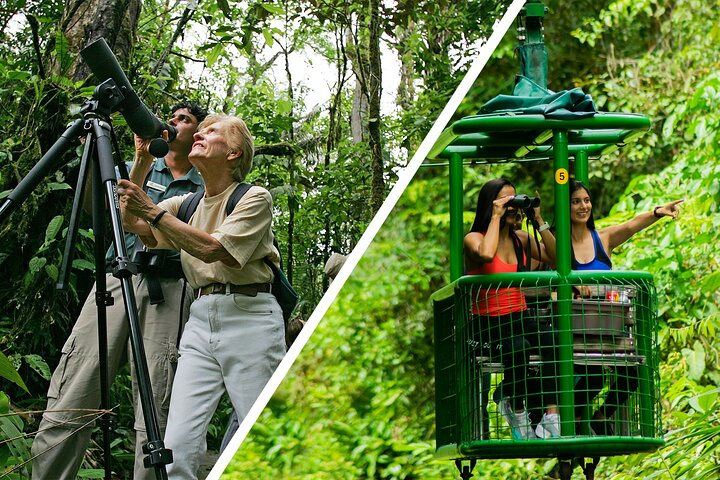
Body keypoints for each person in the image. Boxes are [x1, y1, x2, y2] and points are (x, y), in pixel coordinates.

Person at [31, 102, 207, 480]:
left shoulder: (204, 184)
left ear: (197, 134)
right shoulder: (141, 167)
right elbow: (113, 219)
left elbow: (190, 241)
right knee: (74, 390)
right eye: (171, 117)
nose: (173, 123)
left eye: (184, 120)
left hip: (171, 290)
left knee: (157, 406)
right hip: (115, 277)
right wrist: (142, 160)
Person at [118, 114, 286, 479]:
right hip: (200, 316)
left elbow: (213, 249)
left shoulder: (254, 198)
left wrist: (152, 211)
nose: (198, 133)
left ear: (234, 153)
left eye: (211, 131)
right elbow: (131, 222)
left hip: (251, 315)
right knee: (177, 443)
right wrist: (144, 160)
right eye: (200, 129)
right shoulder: (186, 203)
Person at [567, 179, 682, 434]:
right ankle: (571, 421)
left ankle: (600, 415)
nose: (583, 206)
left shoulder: (602, 239)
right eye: (576, 201)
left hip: (606, 325)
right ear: (566, 207)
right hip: (575, 330)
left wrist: (657, 213)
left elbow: (631, 225)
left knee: (631, 373)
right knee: (592, 378)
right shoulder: (559, 245)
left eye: (586, 200)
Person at [464, 178, 560, 440]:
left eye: (515, 201)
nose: (513, 208)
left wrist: (539, 221)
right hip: (487, 324)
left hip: (518, 316)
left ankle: (552, 415)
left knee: (553, 340)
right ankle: (516, 409)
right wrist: (496, 217)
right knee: (519, 348)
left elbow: (557, 257)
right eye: (507, 202)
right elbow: (485, 254)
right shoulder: (473, 239)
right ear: (491, 205)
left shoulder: (521, 239)